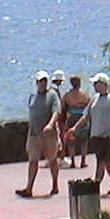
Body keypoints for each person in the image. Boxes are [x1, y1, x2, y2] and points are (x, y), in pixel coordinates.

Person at [66, 72, 110, 195]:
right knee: (106, 161)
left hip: (107, 136)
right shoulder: (94, 99)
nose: (95, 86)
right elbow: (86, 116)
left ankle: (95, 184)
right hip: (95, 135)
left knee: (101, 161)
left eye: (97, 83)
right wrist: (74, 128)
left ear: (104, 84)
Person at [16, 70, 61, 198]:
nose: (43, 83)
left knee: (52, 160)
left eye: (45, 80)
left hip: (49, 135)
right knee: (32, 161)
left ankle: (55, 185)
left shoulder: (52, 95)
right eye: (41, 81)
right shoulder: (32, 95)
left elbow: (56, 111)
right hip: (34, 134)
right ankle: (29, 188)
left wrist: (51, 124)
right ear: (36, 82)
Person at [61, 75, 91, 168]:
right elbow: (89, 105)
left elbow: (63, 107)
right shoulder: (84, 94)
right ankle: (83, 161)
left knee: (71, 142)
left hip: (71, 118)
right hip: (82, 117)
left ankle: (73, 161)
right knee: (83, 141)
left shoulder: (67, 94)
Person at [51, 69, 73, 168]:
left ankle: (51, 158)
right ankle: (60, 159)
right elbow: (58, 105)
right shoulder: (55, 90)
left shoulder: (50, 89)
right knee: (60, 138)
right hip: (58, 118)